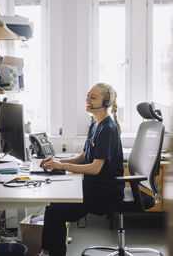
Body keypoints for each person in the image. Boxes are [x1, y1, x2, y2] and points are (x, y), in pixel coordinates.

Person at [37, 83, 124, 256]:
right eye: (87, 96)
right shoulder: (95, 124)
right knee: (54, 204)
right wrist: (57, 161)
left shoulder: (107, 129)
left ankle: (50, 252)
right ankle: (48, 250)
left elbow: (95, 168)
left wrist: (62, 166)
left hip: (105, 191)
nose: (87, 100)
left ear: (106, 102)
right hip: (95, 186)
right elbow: (83, 157)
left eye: (93, 97)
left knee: (54, 213)